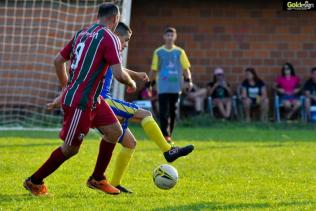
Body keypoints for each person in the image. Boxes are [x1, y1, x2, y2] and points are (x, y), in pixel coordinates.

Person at [23, 3, 137, 196]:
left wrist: (66, 87)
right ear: (115, 19)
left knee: (114, 131)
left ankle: (98, 178)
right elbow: (118, 74)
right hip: (80, 103)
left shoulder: (82, 33)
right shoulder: (111, 37)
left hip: (92, 99)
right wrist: (132, 82)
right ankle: (34, 181)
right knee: (70, 149)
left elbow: (58, 60)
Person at [100, 22, 194, 193]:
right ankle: (168, 150)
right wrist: (131, 81)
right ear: (117, 36)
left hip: (100, 102)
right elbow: (118, 72)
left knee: (130, 143)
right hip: (102, 101)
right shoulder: (110, 46)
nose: (126, 44)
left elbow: (117, 67)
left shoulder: (106, 48)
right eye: (126, 40)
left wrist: (135, 75)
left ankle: (114, 183)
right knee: (145, 114)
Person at [149, 27, 193, 143]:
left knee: (173, 111)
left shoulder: (180, 52)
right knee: (164, 111)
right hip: (163, 86)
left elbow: (186, 68)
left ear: (175, 37)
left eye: (171, 35)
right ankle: (165, 134)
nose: (169, 37)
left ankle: (169, 134)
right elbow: (153, 69)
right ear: (164, 37)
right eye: (167, 35)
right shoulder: (158, 52)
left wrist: (188, 81)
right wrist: (151, 83)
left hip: (176, 87)